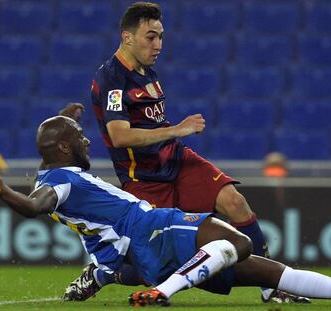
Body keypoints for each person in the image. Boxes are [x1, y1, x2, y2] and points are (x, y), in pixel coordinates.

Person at [0, 116, 331, 307]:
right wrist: (2, 192)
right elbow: (33, 207)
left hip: (145, 253)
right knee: (240, 243)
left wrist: (65, 116)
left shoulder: (53, 171)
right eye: (79, 137)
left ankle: (114, 275)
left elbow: (49, 167)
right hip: (149, 227)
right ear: (62, 149)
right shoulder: (59, 181)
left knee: (277, 272)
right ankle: (162, 290)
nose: (87, 139)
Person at [90, 1, 294, 303]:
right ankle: (102, 274)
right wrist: (177, 129)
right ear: (127, 36)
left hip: (176, 159)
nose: (158, 44)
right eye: (150, 36)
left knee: (235, 202)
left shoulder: (147, 71)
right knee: (157, 266)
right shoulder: (112, 79)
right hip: (144, 177)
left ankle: (272, 288)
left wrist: (173, 137)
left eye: (161, 36)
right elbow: (119, 136)